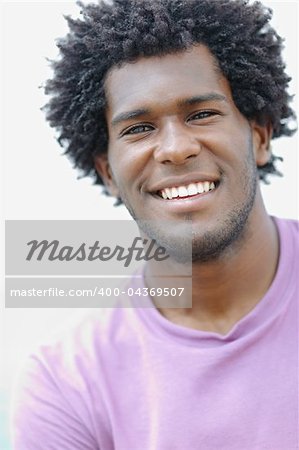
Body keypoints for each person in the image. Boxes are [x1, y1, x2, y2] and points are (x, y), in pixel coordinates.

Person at [12, 0, 298, 449]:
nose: (174, 149)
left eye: (201, 114)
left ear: (259, 135)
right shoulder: (67, 385)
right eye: (138, 128)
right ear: (108, 172)